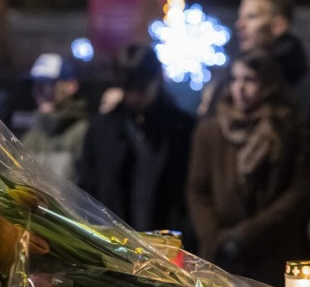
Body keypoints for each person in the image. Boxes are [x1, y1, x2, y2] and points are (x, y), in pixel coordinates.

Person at [187, 48, 310, 287]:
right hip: (221, 256)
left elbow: (298, 192)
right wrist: (215, 238)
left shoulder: (288, 130)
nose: (240, 88)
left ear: (268, 84)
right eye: (235, 79)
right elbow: (198, 191)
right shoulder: (210, 131)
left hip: (272, 252)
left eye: (250, 80)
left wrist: (246, 234)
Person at [230, 0, 310, 249]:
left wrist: (294, 211)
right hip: (231, 236)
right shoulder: (231, 81)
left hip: (285, 237)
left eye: (251, 17)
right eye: (241, 16)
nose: (240, 24)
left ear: (279, 25)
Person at [78, 43, 195, 247]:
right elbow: (89, 190)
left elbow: (191, 193)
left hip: (169, 247)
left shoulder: (182, 129)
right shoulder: (102, 129)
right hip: (114, 247)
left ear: (157, 79)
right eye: (127, 88)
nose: (133, 96)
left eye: (140, 88)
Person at [18, 53, 90, 183]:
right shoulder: (31, 134)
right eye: (35, 84)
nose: (37, 91)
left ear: (71, 86)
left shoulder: (85, 132)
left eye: (46, 84)